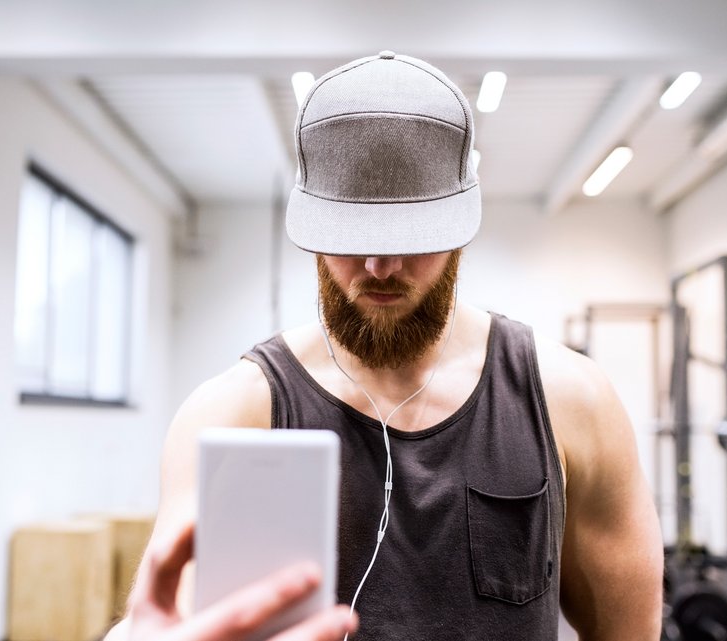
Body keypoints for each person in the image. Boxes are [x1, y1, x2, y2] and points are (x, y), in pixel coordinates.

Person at [110, 51, 663, 641]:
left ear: (460, 227)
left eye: (411, 236)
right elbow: (171, 619)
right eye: (350, 237)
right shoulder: (235, 413)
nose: (379, 266)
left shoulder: (570, 401)